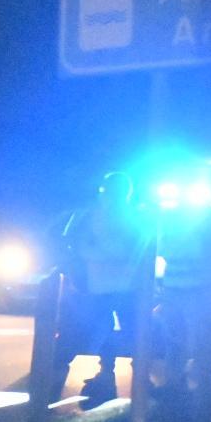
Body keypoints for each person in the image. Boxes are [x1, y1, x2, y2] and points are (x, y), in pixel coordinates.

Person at [65, 171, 147, 405]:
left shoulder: (132, 217)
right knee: (113, 331)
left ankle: (129, 377)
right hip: (109, 286)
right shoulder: (102, 216)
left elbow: (130, 250)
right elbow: (76, 245)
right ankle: (114, 376)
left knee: (127, 331)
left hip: (121, 287)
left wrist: (95, 252)